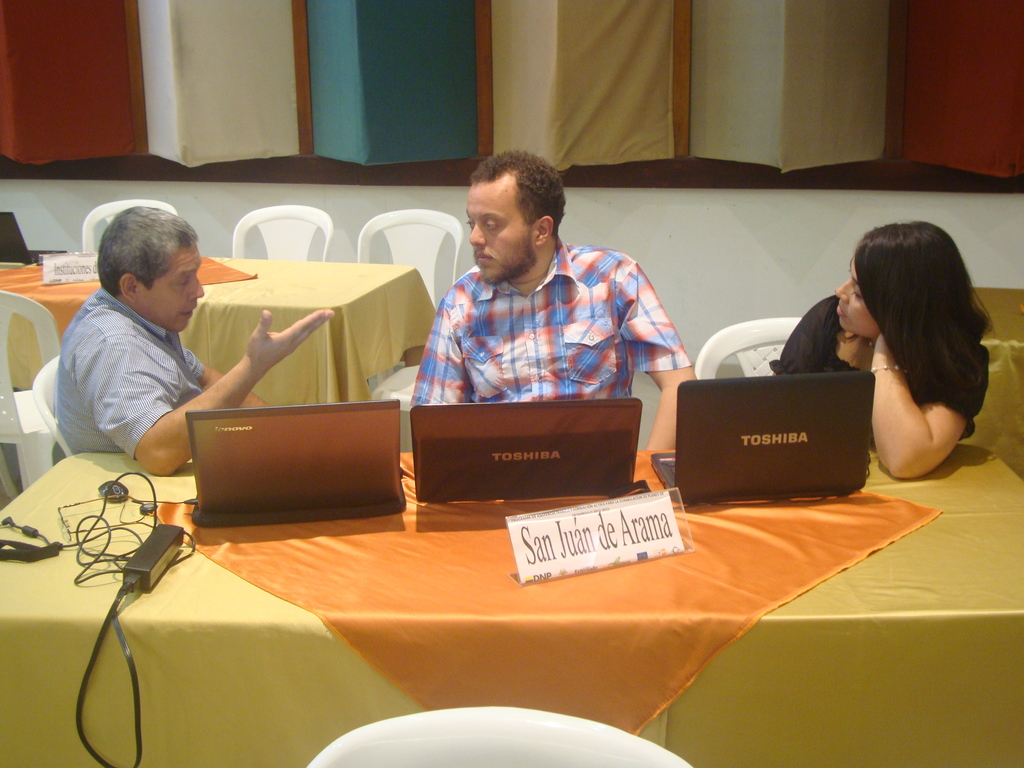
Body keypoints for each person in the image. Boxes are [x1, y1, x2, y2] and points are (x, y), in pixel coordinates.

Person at [412, 150, 694, 449]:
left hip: (598, 469)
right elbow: (432, 422)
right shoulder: (461, 303)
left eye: (490, 224)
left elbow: (680, 385)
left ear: (541, 231)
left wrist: (645, 467)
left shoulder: (612, 278)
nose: (475, 238)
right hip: (503, 470)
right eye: (472, 223)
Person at [56, 207, 333, 476]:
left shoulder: (141, 316)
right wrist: (252, 367)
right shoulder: (114, 344)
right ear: (131, 287)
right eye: (183, 280)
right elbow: (158, 454)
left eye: (196, 275)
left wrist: (281, 432)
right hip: (140, 488)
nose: (199, 291)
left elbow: (205, 378)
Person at [771, 221, 990, 478]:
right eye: (850, 278)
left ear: (900, 309)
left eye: (859, 293)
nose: (841, 292)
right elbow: (773, 418)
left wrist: (885, 350)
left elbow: (904, 461)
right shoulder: (829, 320)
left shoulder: (956, 357)